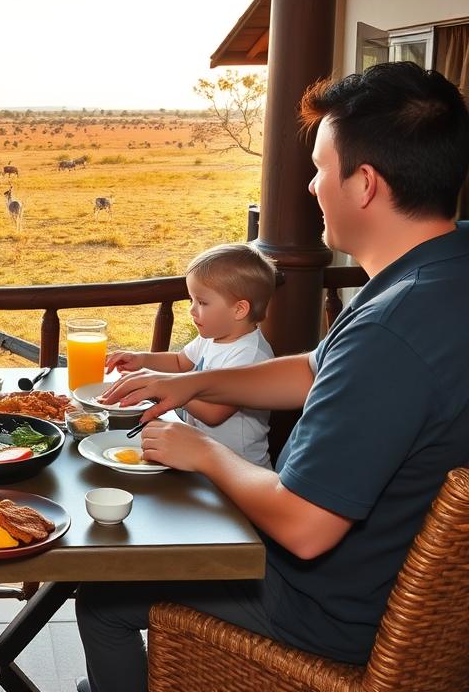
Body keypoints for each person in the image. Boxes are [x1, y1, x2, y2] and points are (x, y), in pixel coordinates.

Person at [75, 61, 469, 692]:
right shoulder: (442, 267)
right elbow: (318, 371)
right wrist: (196, 384)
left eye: (319, 168)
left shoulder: (390, 333)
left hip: (335, 609)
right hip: (413, 593)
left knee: (102, 602)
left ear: (364, 183)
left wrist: (202, 451)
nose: (313, 187)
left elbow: (306, 528)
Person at [104, 243, 276, 468]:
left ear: (239, 310)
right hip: (201, 460)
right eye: (191, 300)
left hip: (241, 471)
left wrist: (165, 387)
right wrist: (142, 359)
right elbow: (180, 362)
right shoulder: (213, 335)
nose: (192, 310)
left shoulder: (250, 356)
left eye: (202, 302)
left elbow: (214, 413)